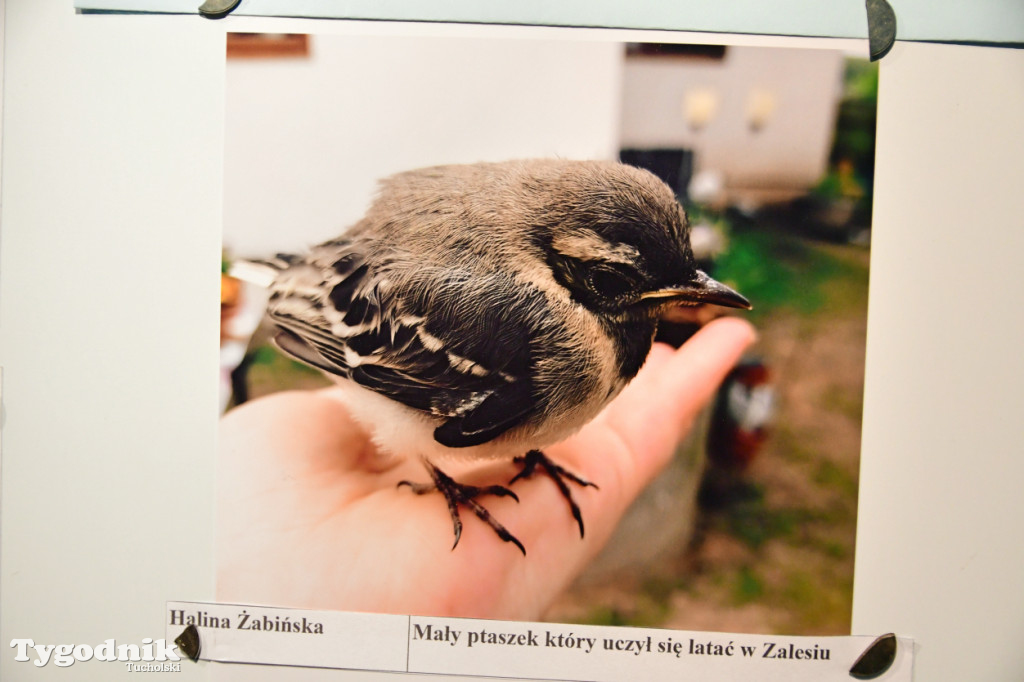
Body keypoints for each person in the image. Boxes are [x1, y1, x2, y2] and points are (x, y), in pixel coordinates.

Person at [216, 317, 755, 622]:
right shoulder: (492, 340)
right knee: (454, 422)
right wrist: (443, 479)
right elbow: (382, 379)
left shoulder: (583, 352)